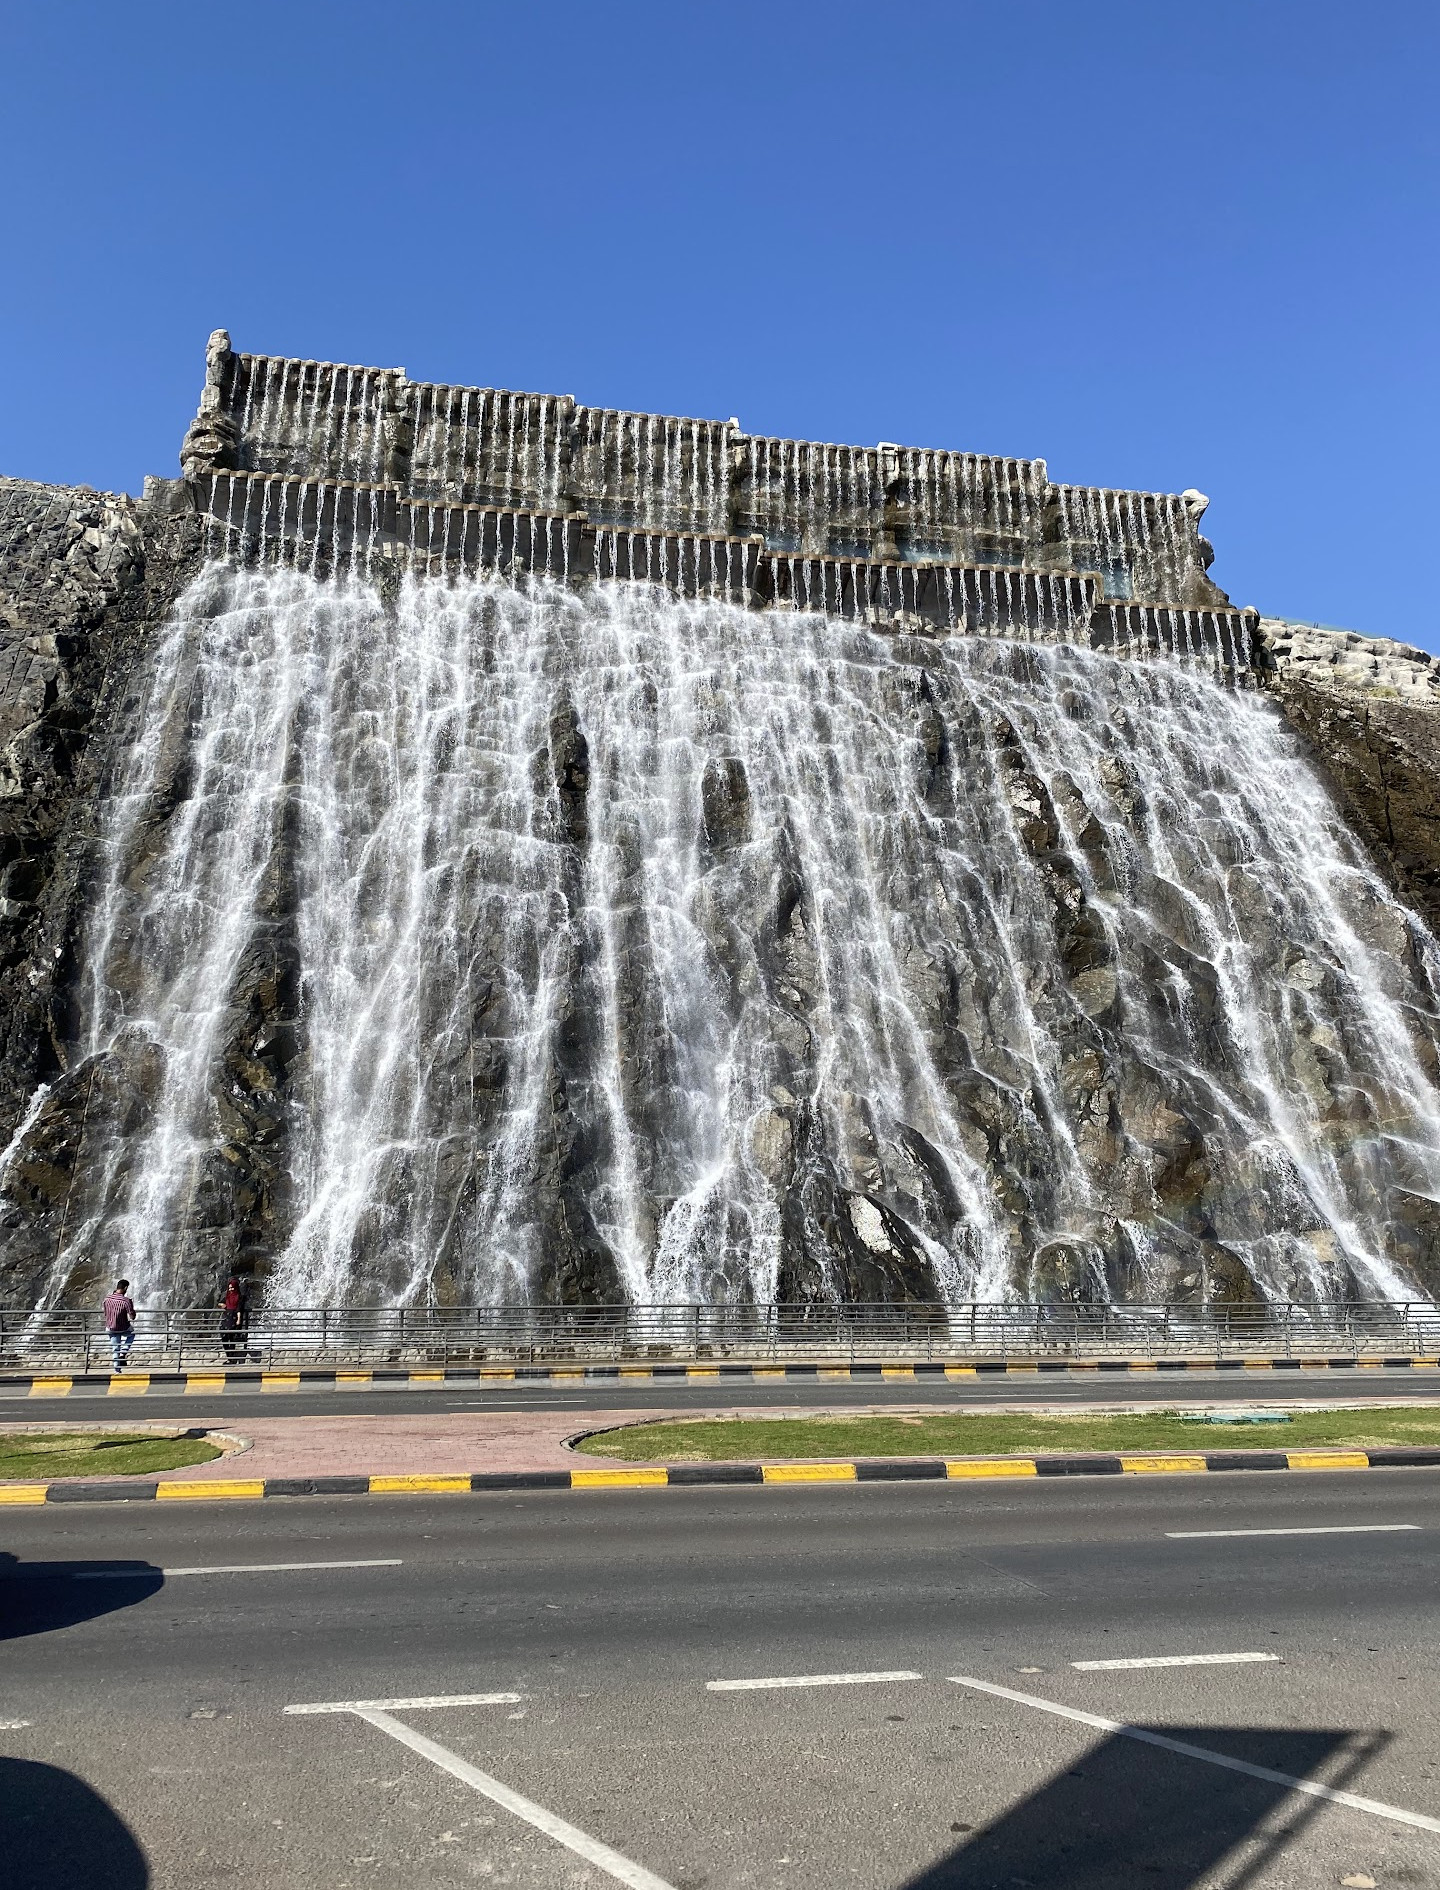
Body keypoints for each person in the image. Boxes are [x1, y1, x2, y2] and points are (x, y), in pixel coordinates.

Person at [103, 1280, 136, 1372]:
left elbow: (105, 1313)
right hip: (122, 1327)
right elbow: (132, 1316)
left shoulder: (106, 1299)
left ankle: (117, 1371)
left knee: (115, 1347)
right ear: (125, 1288)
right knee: (132, 1333)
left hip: (110, 1327)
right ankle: (124, 1351)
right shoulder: (126, 1301)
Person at [218, 1276, 250, 1365]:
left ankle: (231, 1359)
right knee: (224, 1337)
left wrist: (239, 1320)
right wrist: (221, 1305)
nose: (231, 1289)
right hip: (227, 1317)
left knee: (231, 1338)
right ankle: (230, 1356)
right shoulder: (228, 1296)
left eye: (232, 1287)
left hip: (234, 1318)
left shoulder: (239, 1297)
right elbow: (220, 1302)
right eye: (230, 1287)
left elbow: (239, 1309)